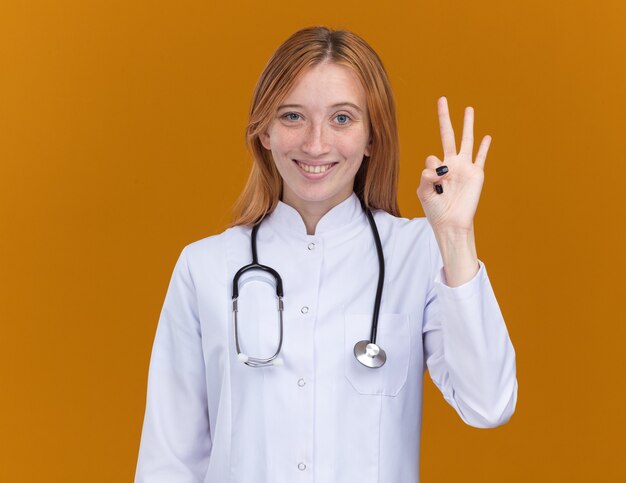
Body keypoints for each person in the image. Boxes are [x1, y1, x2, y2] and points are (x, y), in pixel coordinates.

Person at [134, 26, 517, 483]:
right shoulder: (205, 267)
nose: (316, 144)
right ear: (264, 132)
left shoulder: (416, 254)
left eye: (342, 119)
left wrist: (455, 237)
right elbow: (169, 461)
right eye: (293, 116)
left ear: (373, 137)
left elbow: (488, 404)